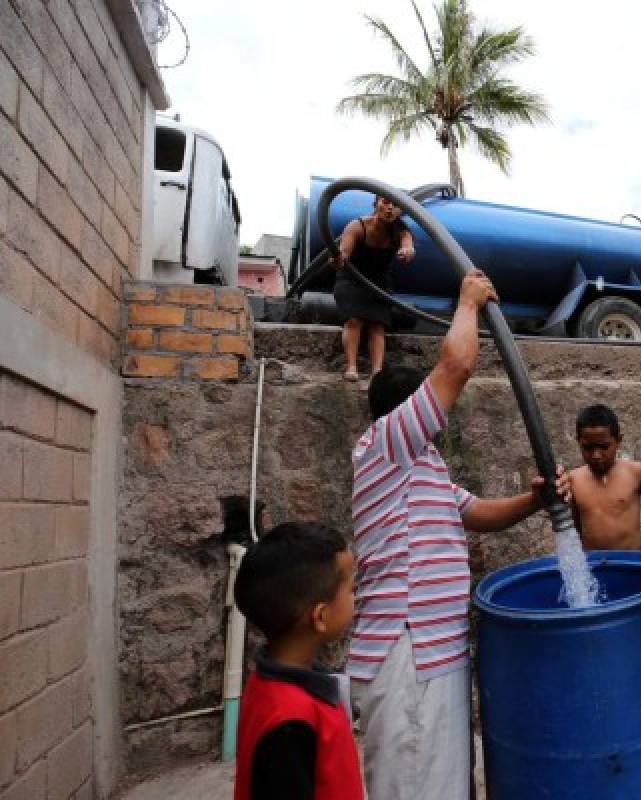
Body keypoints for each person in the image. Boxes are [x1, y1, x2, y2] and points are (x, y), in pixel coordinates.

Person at [349, 268, 571, 800]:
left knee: (444, 784)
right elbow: (457, 364)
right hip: (409, 652)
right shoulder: (385, 444)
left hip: (437, 652)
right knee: (417, 786)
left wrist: (535, 500)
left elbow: (476, 512)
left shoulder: (421, 465)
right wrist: (468, 303)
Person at [232, 522, 362, 800]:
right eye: (352, 588)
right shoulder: (290, 722)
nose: (357, 595)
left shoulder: (263, 685)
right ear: (321, 616)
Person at [569, 404, 641, 553]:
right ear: (578, 442)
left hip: (633, 561)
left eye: (604, 447)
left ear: (618, 440)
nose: (596, 455)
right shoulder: (573, 480)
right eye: (588, 448)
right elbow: (574, 527)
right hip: (594, 566)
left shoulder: (635, 472)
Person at [331, 195, 416, 382]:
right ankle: (352, 366)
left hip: (379, 282)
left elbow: (408, 245)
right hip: (352, 278)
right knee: (354, 321)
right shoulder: (357, 226)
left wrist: (408, 251)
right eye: (385, 202)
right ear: (376, 204)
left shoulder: (402, 231)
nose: (389, 208)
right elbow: (343, 253)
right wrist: (338, 259)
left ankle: (377, 372)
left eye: (395, 205)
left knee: (377, 325)